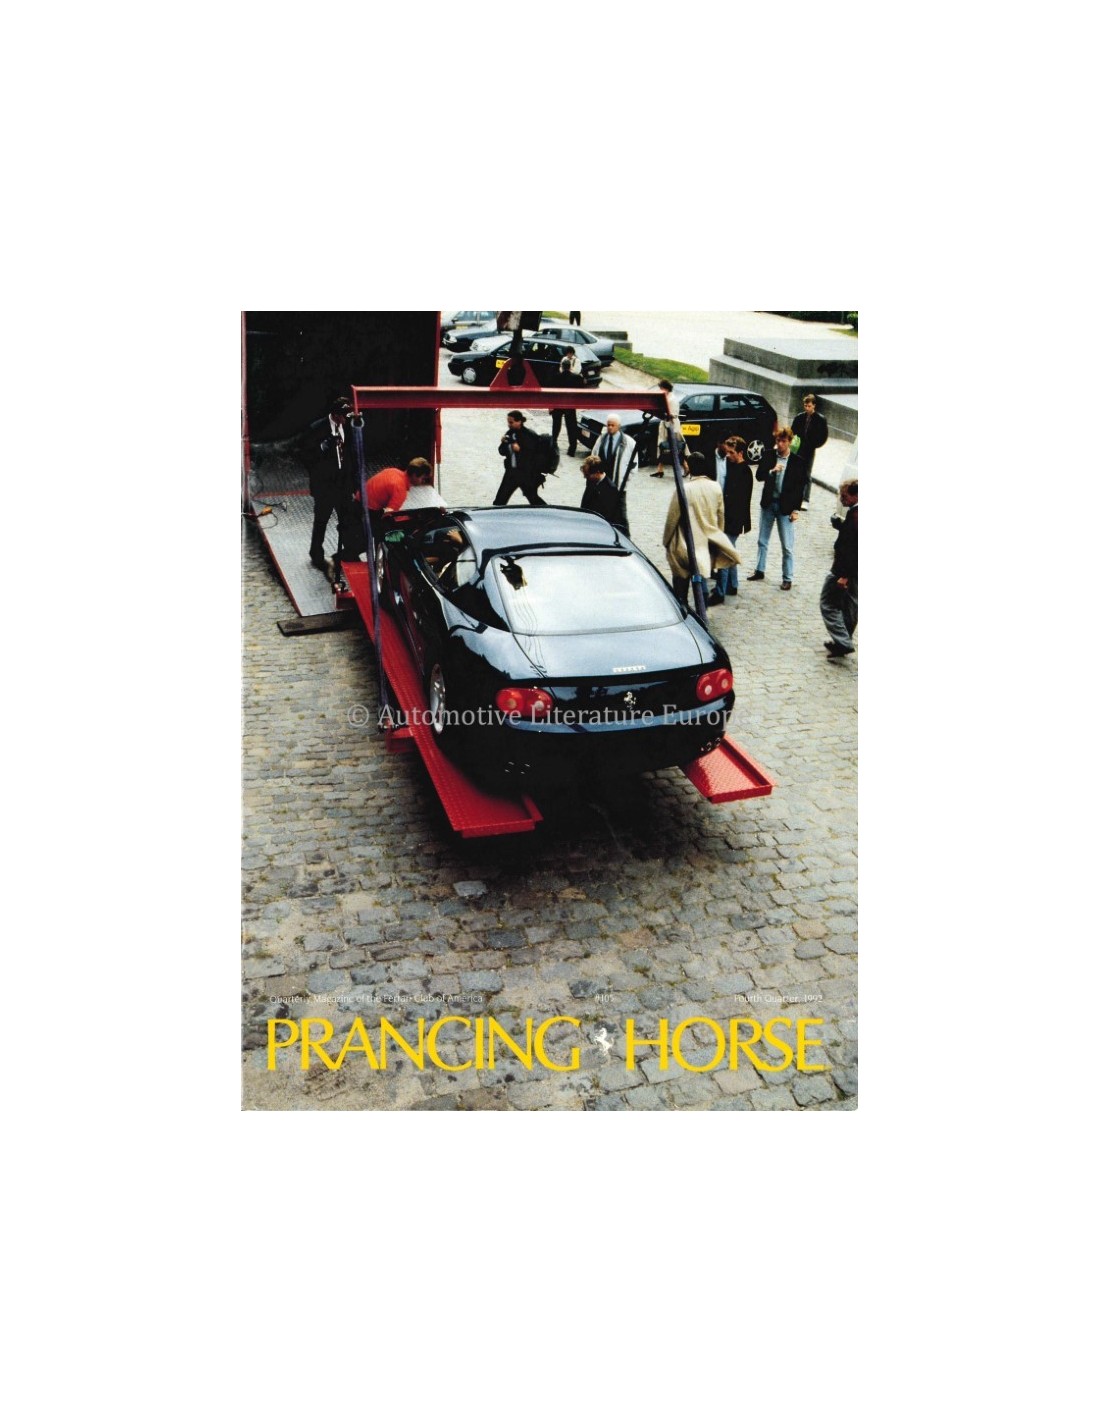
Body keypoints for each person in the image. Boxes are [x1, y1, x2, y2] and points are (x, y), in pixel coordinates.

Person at [662, 451, 739, 602]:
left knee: (681, 578)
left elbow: (672, 518)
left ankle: (682, 602)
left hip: (686, 542)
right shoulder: (716, 487)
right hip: (707, 540)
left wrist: (666, 541)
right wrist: (718, 537)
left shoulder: (684, 489)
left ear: (689, 467)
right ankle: (701, 599)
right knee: (701, 572)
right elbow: (721, 516)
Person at [747, 427, 807, 590]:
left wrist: (795, 510)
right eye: (778, 441)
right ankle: (759, 570)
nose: (780, 444)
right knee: (762, 540)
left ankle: (788, 577)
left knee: (787, 545)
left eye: (783, 441)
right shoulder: (768, 455)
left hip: (785, 507)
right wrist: (771, 471)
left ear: (789, 442)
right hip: (769, 503)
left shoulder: (797, 462)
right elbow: (759, 476)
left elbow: (800, 488)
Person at [303, 396, 352, 570]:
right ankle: (316, 553)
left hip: (343, 484)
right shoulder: (316, 428)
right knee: (321, 520)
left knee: (347, 520)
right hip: (325, 486)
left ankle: (348, 551)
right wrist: (322, 448)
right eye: (343, 416)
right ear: (335, 414)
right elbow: (306, 456)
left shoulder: (349, 427)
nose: (346, 419)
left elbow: (351, 455)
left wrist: (352, 484)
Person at [708, 436, 753, 605]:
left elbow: (741, 501)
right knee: (730, 550)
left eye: (732, 452)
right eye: (727, 452)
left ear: (740, 453)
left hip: (734, 519)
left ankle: (720, 591)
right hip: (727, 518)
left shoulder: (745, 472)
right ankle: (732, 585)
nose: (728, 455)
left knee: (724, 553)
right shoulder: (732, 466)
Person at [821, 477, 858, 658]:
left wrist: (844, 575)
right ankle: (843, 641)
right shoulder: (855, 514)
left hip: (844, 570)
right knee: (850, 606)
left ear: (855, 495)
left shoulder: (857, 516)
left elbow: (853, 548)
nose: (842, 500)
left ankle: (843, 642)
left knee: (828, 604)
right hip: (854, 572)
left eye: (844, 496)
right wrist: (841, 526)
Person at [494, 411, 547, 506]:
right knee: (500, 500)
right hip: (511, 472)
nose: (509, 424)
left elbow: (534, 456)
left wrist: (520, 450)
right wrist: (504, 443)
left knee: (533, 498)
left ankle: (546, 511)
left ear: (519, 422)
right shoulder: (510, 433)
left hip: (525, 474)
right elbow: (501, 451)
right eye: (508, 422)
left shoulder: (529, 435)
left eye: (511, 422)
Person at [791, 393, 828, 506]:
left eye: (809, 406)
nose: (807, 408)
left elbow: (824, 436)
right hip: (798, 448)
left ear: (814, 406)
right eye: (805, 406)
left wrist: (815, 445)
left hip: (809, 449)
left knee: (807, 473)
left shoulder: (820, 419)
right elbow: (792, 431)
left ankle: (805, 499)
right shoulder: (799, 417)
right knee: (796, 471)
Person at [580, 455, 629, 534]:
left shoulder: (610, 489)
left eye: (587, 475)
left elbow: (608, 516)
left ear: (597, 473)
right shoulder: (591, 481)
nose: (585, 477)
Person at [550, 348, 581, 456]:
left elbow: (552, 392)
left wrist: (551, 405)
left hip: (558, 404)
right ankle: (572, 449)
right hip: (570, 404)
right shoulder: (576, 378)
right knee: (571, 427)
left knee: (556, 426)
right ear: (570, 366)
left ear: (562, 367)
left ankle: (553, 445)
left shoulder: (556, 377)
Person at [593, 415, 637, 489]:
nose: (610, 427)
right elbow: (593, 455)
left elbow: (634, 463)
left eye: (613, 425)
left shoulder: (629, 442)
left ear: (619, 426)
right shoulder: (601, 439)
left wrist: (625, 479)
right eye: (608, 425)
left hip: (618, 484)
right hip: (601, 482)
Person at [652, 379, 683, 477]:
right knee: (663, 446)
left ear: (666, 388)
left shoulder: (671, 399)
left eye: (661, 388)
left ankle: (686, 467)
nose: (660, 390)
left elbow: (672, 414)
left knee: (676, 447)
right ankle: (660, 469)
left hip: (671, 425)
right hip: (666, 424)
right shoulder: (668, 397)